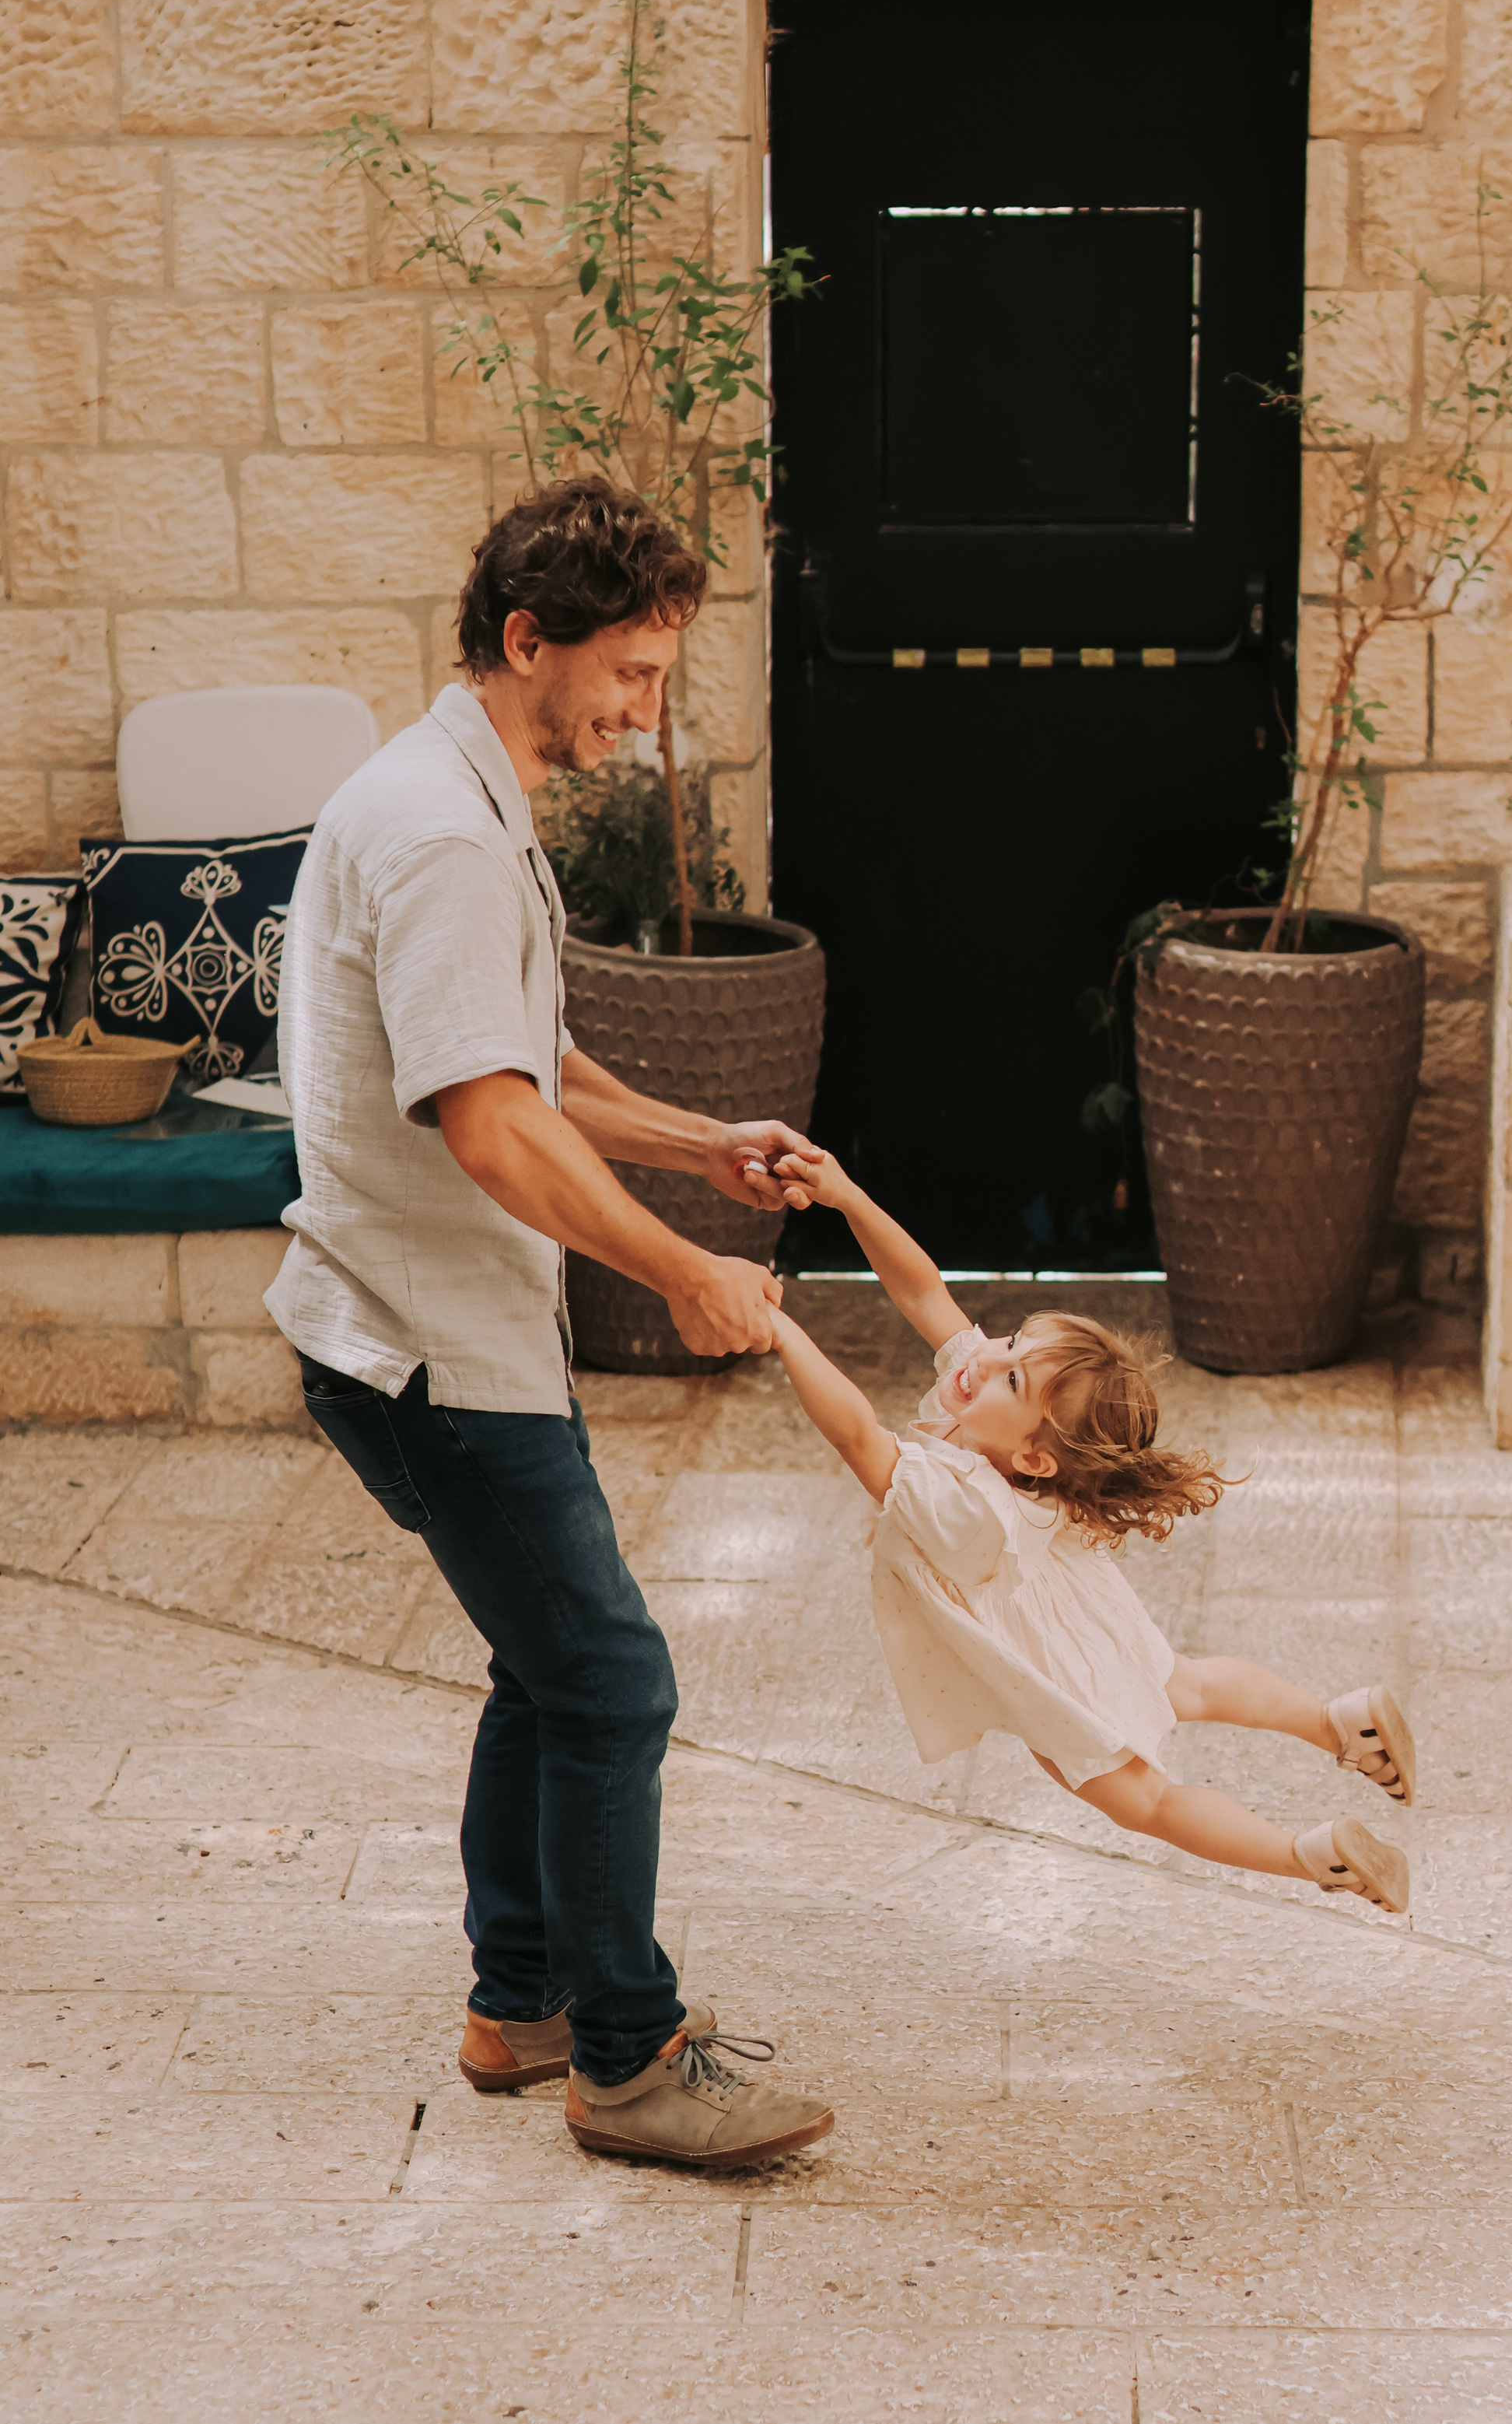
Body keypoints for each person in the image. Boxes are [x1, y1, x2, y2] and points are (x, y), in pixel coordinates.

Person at [267, 475, 833, 2168]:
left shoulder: (466, 784)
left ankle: (516, 2002)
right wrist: (684, 1267)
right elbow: (491, 1124)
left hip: (437, 1328)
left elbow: (533, 1058)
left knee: (548, 1662)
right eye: (632, 678)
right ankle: (627, 2059)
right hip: (429, 1342)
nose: (649, 718)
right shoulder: (439, 830)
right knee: (609, 1680)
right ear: (529, 641)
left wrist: (699, 1142)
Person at [765, 1152, 1417, 1910]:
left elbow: (856, 1436)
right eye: (1010, 1342)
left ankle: (1315, 1856)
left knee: (1144, 1801)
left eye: (1013, 1375)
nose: (988, 1358)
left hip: (1050, 1660)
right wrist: (845, 1197)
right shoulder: (993, 1422)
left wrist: (779, 1329)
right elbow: (922, 1287)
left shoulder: (963, 1502)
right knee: (1185, 1682)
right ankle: (1340, 1721)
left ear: (1035, 1455)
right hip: (1075, 1609)